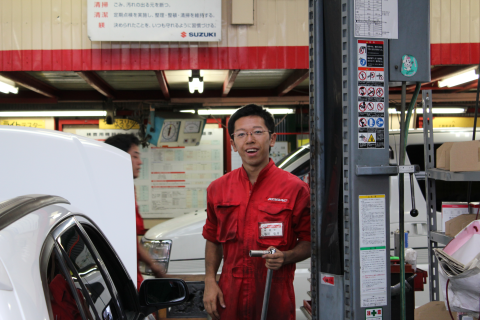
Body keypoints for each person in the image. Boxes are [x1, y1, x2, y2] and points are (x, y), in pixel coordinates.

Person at [202, 104, 311, 320]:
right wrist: (209, 282)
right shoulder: (218, 188)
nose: (249, 140)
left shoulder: (295, 188)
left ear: (271, 139)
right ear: (233, 144)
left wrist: (286, 257)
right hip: (229, 297)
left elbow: (309, 242)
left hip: (274, 295)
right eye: (241, 134)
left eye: (257, 132)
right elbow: (213, 239)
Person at [104, 134, 165, 290]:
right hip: (116, 277)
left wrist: (153, 265)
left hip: (130, 271)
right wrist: (153, 265)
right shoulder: (110, 191)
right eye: (135, 156)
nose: (140, 162)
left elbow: (129, 236)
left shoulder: (127, 188)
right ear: (119, 158)